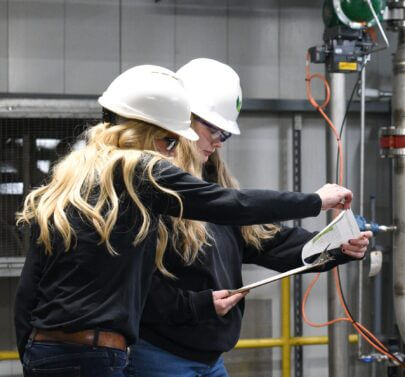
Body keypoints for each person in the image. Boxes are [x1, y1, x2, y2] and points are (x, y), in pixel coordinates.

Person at [13, 64, 354, 377]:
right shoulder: (140, 172)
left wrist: (30, 352)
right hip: (107, 352)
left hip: (47, 349)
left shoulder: (73, 177)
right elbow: (233, 204)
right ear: (145, 133)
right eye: (170, 140)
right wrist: (315, 201)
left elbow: (31, 286)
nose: (173, 151)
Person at [127, 58, 372, 377]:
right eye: (213, 129)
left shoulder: (215, 187)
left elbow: (270, 242)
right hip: (159, 355)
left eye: (224, 135)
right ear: (183, 122)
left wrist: (338, 246)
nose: (217, 142)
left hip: (209, 359)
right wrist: (314, 201)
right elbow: (138, 289)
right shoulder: (156, 190)